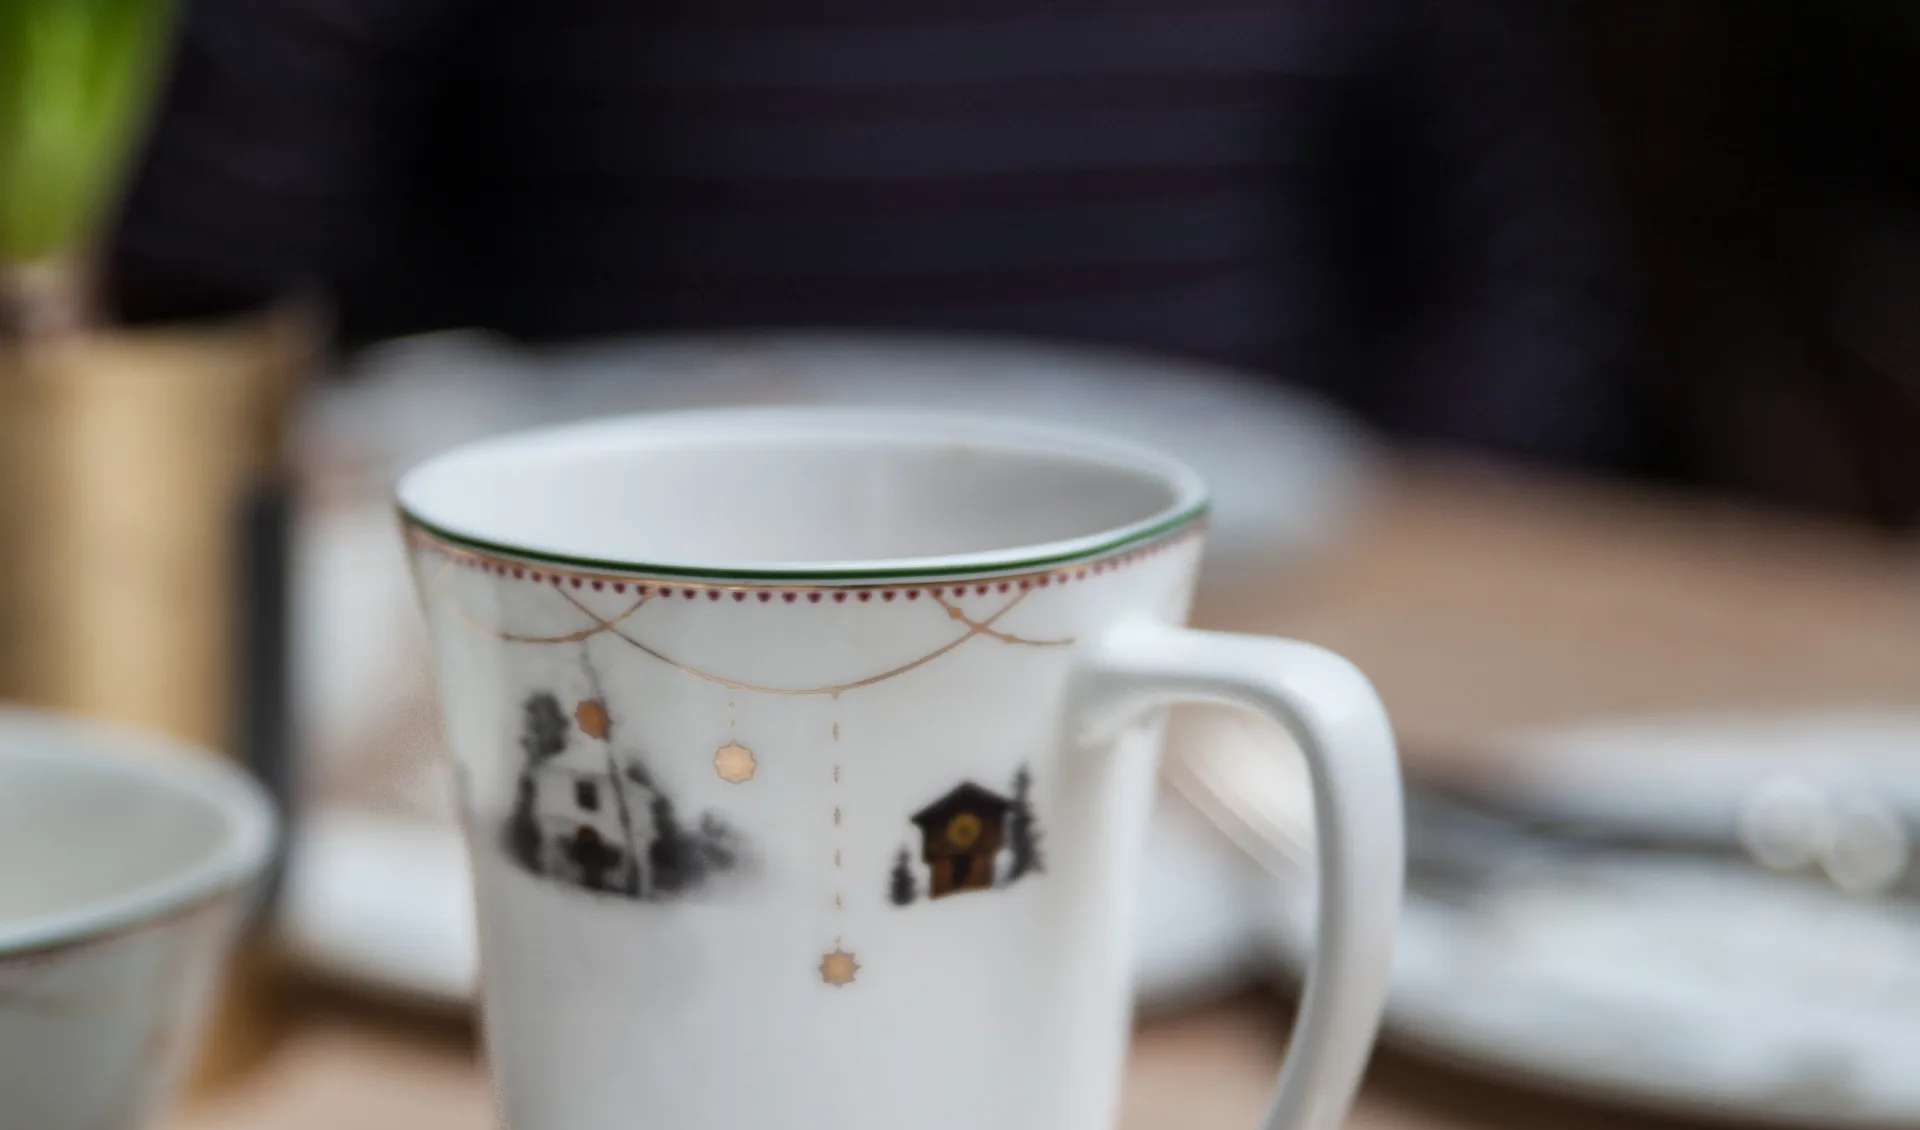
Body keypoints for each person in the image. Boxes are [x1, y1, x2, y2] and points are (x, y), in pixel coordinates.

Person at [109, 0, 1621, 463]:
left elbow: (1515, 295)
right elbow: (184, 274)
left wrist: (1392, 611)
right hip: (641, 593)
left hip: (1245, 613)